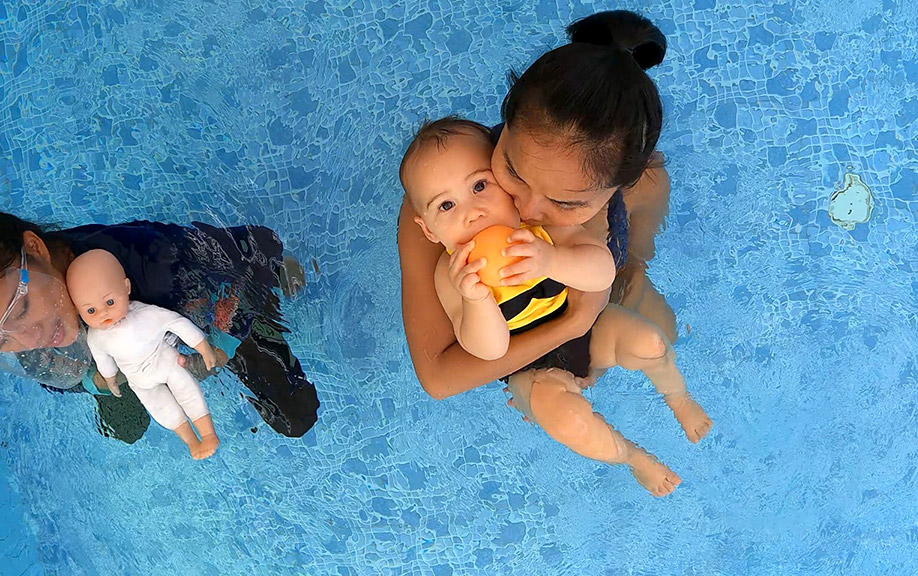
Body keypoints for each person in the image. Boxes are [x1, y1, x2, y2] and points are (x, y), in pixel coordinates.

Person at [398, 11, 708, 496]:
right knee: (559, 411)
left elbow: (611, 250)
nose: (527, 209)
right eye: (513, 172)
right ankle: (631, 455)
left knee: (657, 335)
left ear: (614, 190)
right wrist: (572, 323)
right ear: (503, 132)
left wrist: (619, 273)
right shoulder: (447, 192)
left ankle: (672, 386)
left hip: (596, 281)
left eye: (566, 202)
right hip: (539, 350)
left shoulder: (631, 179)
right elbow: (439, 377)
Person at [0, 212, 319, 441]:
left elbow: (240, 269)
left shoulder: (147, 268)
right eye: (2, 341)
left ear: (35, 249)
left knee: (295, 415)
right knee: (125, 428)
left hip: (213, 291)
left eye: (23, 308)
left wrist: (218, 349)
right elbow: (51, 373)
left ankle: (280, 275)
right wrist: (95, 379)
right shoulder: (36, 334)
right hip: (118, 344)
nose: (30, 338)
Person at [67, 249, 220, 459]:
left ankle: (208, 434)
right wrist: (110, 379)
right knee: (162, 411)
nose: (103, 313)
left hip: (164, 360)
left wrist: (203, 347)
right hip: (138, 380)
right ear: (78, 311)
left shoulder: (145, 314)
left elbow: (177, 323)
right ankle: (191, 442)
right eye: (90, 311)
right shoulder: (96, 337)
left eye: (110, 302)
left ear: (126, 287)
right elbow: (103, 359)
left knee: (187, 390)